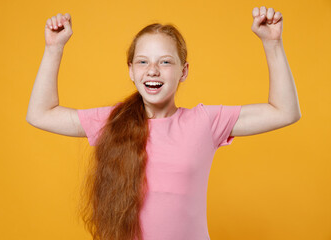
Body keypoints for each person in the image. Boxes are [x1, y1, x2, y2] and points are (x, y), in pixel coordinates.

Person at [26, 6, 301, 240]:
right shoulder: (112, 121)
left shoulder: (205, 121)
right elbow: (40, 114)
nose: (153, 70)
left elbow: (284, 111)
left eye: (165, 61)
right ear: (131, 71)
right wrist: (54, 48)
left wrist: (272, 43)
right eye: (143, 61)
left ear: (184, 71)